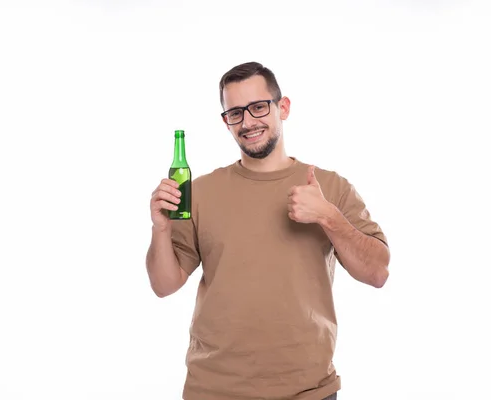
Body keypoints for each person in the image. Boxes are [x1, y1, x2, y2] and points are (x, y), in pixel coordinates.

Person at [146, 62, 390, 400]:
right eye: (235, 113)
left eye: (259, 107)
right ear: (225, 122)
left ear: (283, 107)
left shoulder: (330, 187)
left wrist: (328, 217)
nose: (248, 122)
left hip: (308, 391)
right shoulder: (201, 192)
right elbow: (163, 285)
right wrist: (160, 228)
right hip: (214, 390)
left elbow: (378, 272)